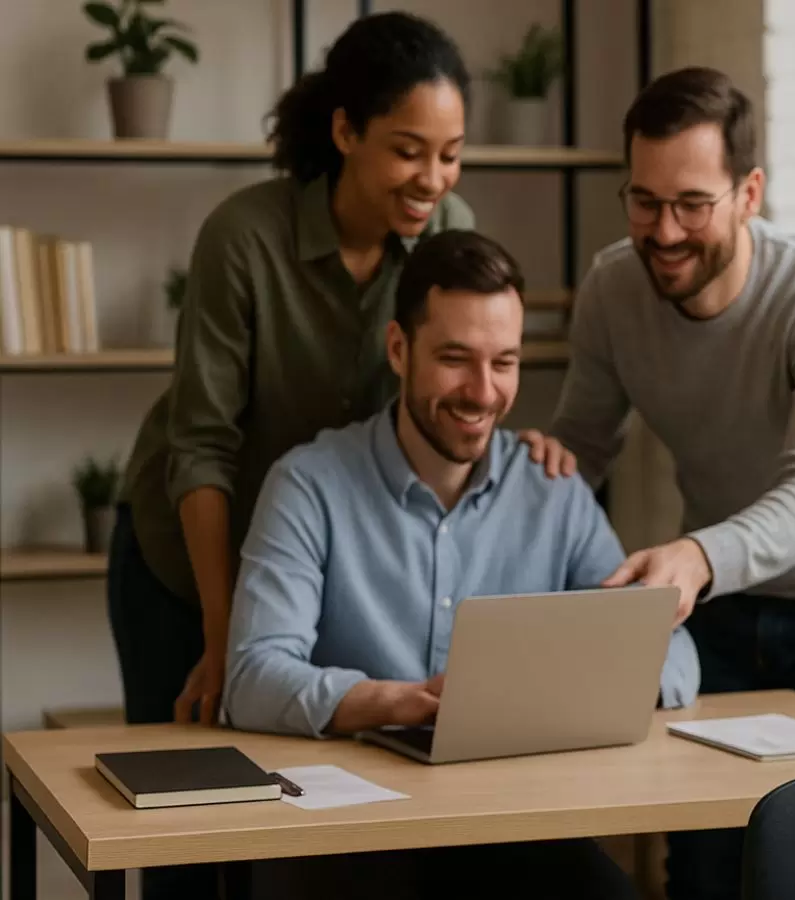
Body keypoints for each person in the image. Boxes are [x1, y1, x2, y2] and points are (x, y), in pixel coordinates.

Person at [522, 66, 795, 900]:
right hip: (719, 603)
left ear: (749, 192)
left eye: (691, 205)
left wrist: (695, 558)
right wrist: (532, 469)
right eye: (643, 201)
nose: (663, 231)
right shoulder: (611, 289)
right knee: (699, 851)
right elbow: (585, 446)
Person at [106, 13, 489, 898]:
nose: (432, 180)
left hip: (306, 561)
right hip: (186, 556)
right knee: (186, 835)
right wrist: (221, 632)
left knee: (308, 814)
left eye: (451, 153)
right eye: (407, 150)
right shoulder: (244, 236)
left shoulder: (445, 228)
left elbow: (460, 370)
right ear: (345, 131)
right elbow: (201, 448)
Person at [223, 229, 695, 900]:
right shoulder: (308, 485)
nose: (482, 392)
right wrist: (394, 702)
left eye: (504, 362)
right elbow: (251, 677)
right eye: (455, 358)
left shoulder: (554, 491)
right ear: (398, 350)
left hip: (517, 828)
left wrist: (569, 696)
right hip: (357, 835)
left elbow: (674, 655)